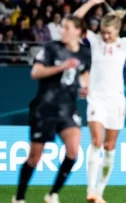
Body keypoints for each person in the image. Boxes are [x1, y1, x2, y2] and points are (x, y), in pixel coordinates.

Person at [73, 0, 126, 202]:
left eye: (109, 32)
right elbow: (74, 21)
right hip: (96, 99)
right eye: (103, 32)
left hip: (116, 101)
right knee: (96, 142)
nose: (105, 36)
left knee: (109, 147)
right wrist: (91, 2)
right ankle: (90, 191)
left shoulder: (125, 44)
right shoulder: (94, 41)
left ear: (117, 30)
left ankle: (99, 192)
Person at [12, 15, 91, 203]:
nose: (62, 31)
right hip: (45, 107)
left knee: (73, 151)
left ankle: (53, 194)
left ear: (78, 32)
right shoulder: (52, 48)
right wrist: (61, 66)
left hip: (68, 108)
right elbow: (35, 72)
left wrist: (85, 87)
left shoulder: (85, 53)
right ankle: (20, 197)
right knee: (34, 158)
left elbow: (84, 74)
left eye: (67, 28)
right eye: (62, 27)